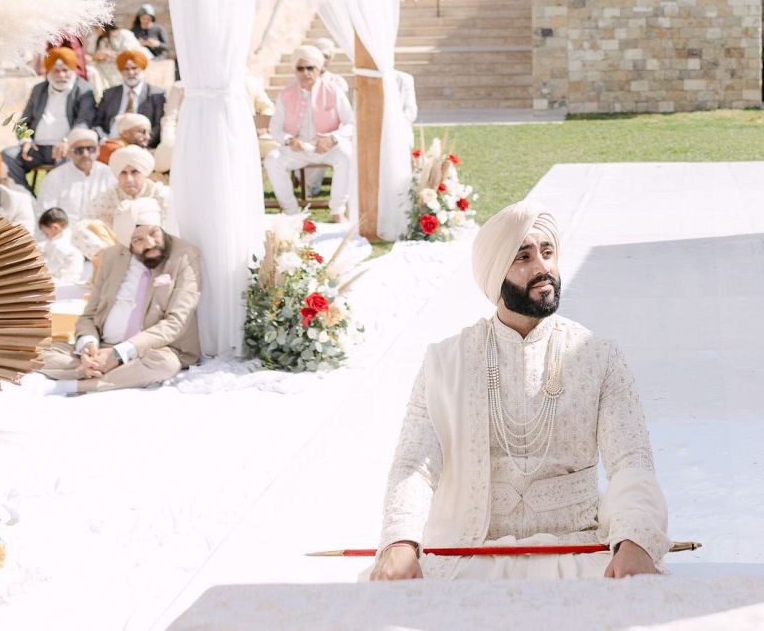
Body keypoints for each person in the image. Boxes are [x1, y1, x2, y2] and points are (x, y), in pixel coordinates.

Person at [372, 200, 668, 581]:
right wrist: (400, 542)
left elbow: (632, 462)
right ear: (496, 276)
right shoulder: (444, 362)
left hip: (579, 555)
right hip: (468, 557)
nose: (543, 267)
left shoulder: (599, 355)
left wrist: (635, 541)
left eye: (548, 253)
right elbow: (414, 465)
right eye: (524, 257)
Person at [34, 200, 202, 395]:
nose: (149, 243)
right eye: (138, 240)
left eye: (153, 233)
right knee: (34, 353)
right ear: (128, 244)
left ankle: (74, 385)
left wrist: (120, 353)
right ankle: (102, 369)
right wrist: (88, 346)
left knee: (165, 364)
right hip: (103, 347)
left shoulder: (185, 255)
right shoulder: (112, 256)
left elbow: (176, 322)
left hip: (150, 350)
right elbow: (90, 314)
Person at [263, 44, 355, 220]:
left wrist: (333, 138)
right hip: (297, 148)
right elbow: (275, 128)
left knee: (346, 154)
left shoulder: (334, 90)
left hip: (326, 147)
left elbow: (351, 123)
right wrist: (289, 140)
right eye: (300, 68)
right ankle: (291, 212)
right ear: (295, 70)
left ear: (318, 69)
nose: (305, 73)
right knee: (272, 159)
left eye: (310, 68)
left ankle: (337, 211)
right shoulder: (285, 94)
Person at [4, 48, 100, 189]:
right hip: (36, 148)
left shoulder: (84, 90)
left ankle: (56, 202)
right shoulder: (39, 90)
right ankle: (27, 197)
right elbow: (23, 122)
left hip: (67, 149)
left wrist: (67, 141)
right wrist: (25, 141)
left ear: (72, 70)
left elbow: (84, 121)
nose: (61, 75)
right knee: (7, 156)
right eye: (56, 71)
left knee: (73, 161)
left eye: (65, 70)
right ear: (48, 72)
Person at [33, 127, 118, 225]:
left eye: (91, 149)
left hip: (101, 233)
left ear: (98, 151)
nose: (85, 154)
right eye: (79, 150)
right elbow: (44, 212)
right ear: (69, 153)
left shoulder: (108, 174)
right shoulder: (55, 177)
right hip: (64, 235)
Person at [95, 49, 165, 147]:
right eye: (125, 69)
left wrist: (143, 143)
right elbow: (97, 123)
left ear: (142, 68)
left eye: (134, 68)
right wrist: (104, 141)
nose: (130, 72)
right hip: (111, 142)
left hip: (141, 145)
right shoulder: (109, 94)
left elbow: (159, 126)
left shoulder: (156, 94)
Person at [98, 144, 171, 229]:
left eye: (134, 172)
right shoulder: (105, 199)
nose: (129, 179)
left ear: (145, 173)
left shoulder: (163, 195)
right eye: (123, 173)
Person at [32, 206, 88, 288]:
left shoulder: (71, 250)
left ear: (55, 227)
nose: (46, 237)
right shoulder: (47, 244)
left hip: (60, 288)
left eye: (46, 233)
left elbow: (69, 279)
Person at [86, 21, 146, 92]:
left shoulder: (124, 34)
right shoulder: (97, 39)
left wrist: (112, 54)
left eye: (96, 27)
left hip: (121, 70)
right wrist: (98, 55)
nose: (95, 30)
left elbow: (133, 53)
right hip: (103, 71)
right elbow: (91, 56)